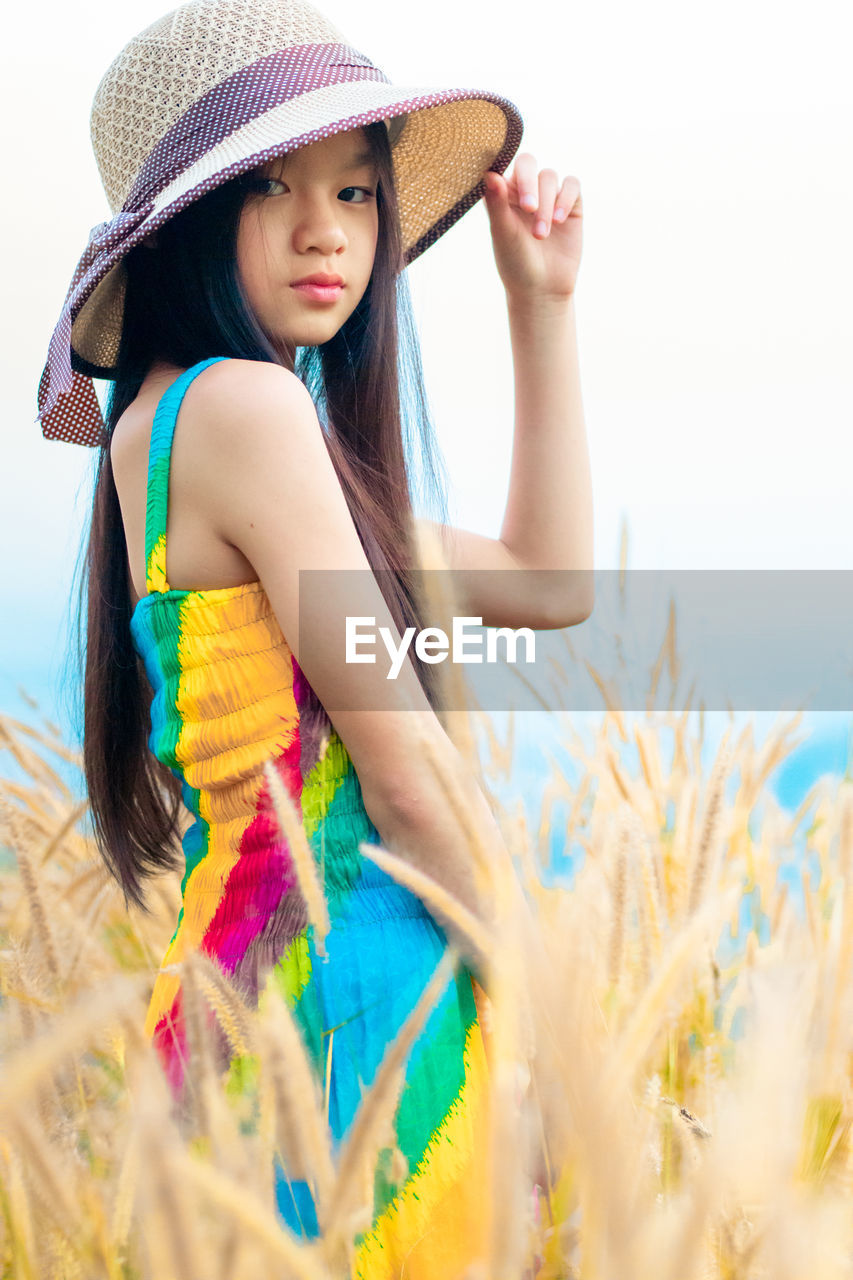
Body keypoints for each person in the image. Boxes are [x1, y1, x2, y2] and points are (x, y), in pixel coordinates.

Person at [37, 0, 592, 1270]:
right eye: (270, 188)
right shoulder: (249, 413)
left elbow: (546, 580)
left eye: (353, 192)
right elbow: (403, 779)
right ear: (182, 225)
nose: (324, 231)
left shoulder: (183, 424)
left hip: (249, 1020)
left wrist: (539, 304)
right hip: (356, 1020)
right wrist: (559, 1041)